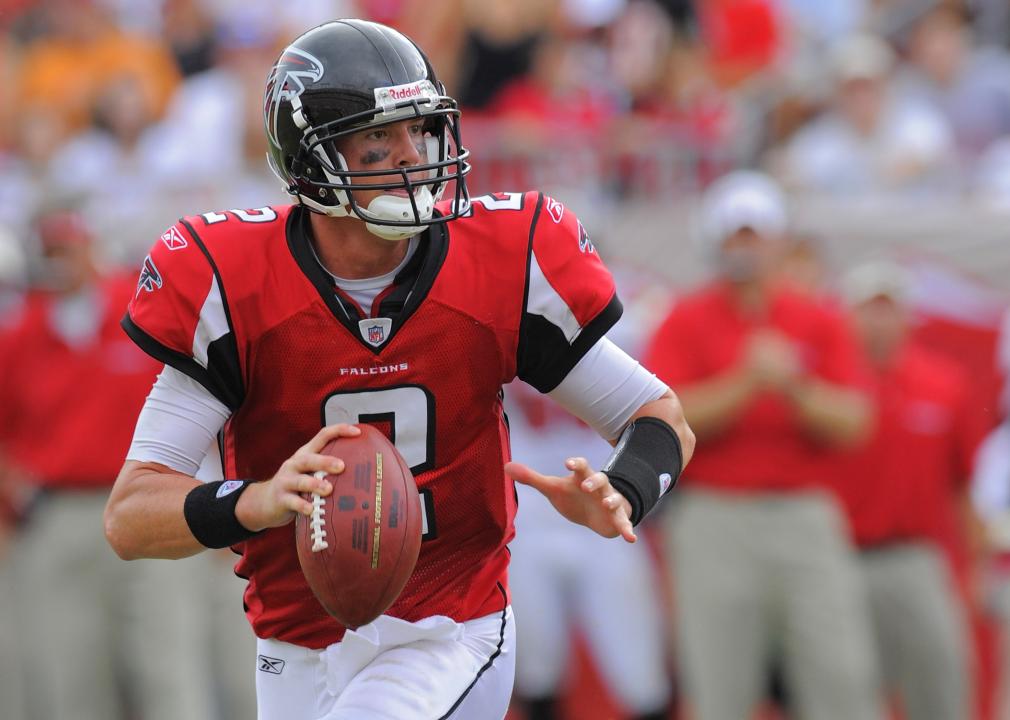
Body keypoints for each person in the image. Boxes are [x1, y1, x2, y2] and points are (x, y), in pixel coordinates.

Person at [102, 19, 694, 720]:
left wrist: (625, 490)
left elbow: (660, 419)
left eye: (422, 130)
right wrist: (251, 501)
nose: (415, 157)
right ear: (313, 160)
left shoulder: (497, 260)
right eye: (380, 140)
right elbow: (130, 516)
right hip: (292, 646)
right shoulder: (232, 284)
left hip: (448, 631)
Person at [643, 170, 880, 720]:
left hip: (804, 513)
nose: (744, 248)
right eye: (734, 235)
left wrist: (792, 385)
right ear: (715, 240)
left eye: (755, 234)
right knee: (718, 681)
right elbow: (663, 420)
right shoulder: (684, 318)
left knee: (840, 675)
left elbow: (855, 422)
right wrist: (746, 384)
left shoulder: (819, 317)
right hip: (714, 515)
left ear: (779, 241)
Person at [0, 210, 218, 720]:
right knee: (71, 677)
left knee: (168, 666)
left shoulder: (138, 308)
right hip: (60, 512)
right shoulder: (21, 332)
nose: (62, 263)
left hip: (152, 498)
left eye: (69, 248)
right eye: (51, 252)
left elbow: (209, 394)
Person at [505, 264, 675, 720]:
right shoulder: (493, 315)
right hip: (529, 518)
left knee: (640, 673)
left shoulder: (627, 320)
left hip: (605, 509)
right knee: (536, 671)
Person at [835, 260, 982, 720]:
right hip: (838, 558)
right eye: (867, 310)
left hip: (916, 556)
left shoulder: (944, 383)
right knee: (844, 691)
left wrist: (973, 566)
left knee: (941, 679)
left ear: (907, 318)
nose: (878, 322)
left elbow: (963, 484)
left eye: (888, 310)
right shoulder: (827, 386)